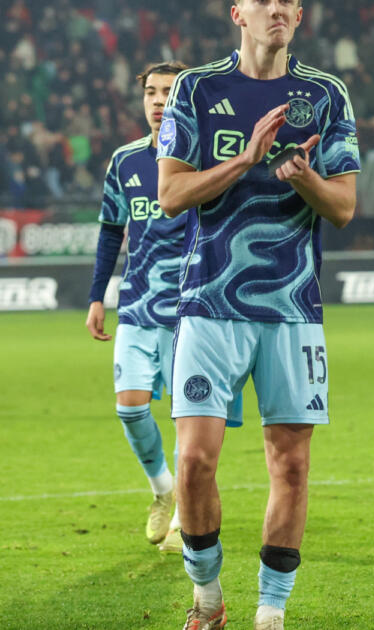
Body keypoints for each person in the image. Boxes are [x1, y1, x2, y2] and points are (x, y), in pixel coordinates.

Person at [156, 0, 360, 627]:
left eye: (287, 2)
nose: (276, 8)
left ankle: (271, 613)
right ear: (237, 13)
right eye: (262, 0)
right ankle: (208, 598)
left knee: (291, 464)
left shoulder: (326, 95)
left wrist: (301, 176)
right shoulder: (197, 88)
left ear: (298, 16)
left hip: (293, 306)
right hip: (209, 302)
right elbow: (170, 195)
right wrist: (245, 160)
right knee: (194, 461)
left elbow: (343, 208)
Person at [86, 61, 189, 553]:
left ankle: (187, 514)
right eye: (151, 92)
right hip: (139, 305)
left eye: (169, 92)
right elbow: (111, 230)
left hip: (192, 309)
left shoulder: (202, 157)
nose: (158, 101)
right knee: (130, 408)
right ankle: (164, 490)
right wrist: (96, 296)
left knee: (190, 418)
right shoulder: (125, 160)